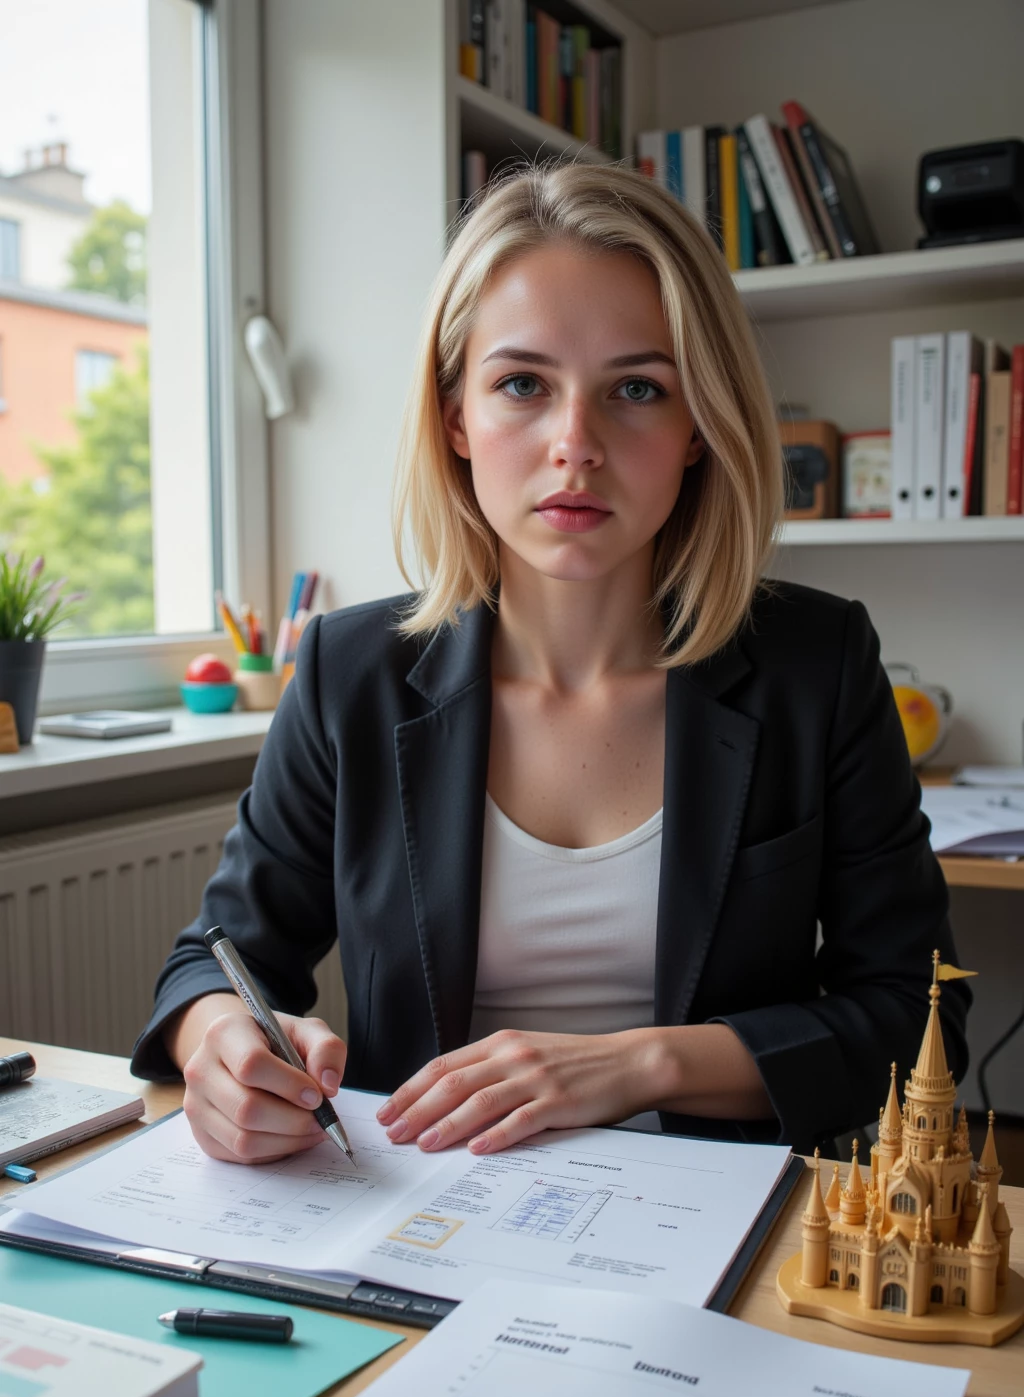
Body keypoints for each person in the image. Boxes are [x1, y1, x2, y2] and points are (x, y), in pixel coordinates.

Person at [133, 162, 968, 1165]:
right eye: (522, 384)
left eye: (636, 389)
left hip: (711, 1217)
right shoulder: (348, 671)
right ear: (455, 418)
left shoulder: (817, 666)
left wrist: (636, 1064)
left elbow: (918, 1019)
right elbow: (213, 963)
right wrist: (222, 1043)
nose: (575, 445)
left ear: (697, 425)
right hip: (419, 1207)